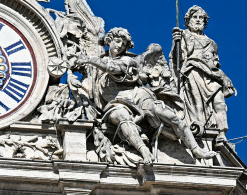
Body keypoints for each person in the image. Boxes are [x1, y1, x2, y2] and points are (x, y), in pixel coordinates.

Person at [74, 27, 215, 163]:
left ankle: (195, 149)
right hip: (115, 103)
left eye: (123, 45)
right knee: (122, 116)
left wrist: (88, 59)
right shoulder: (96, 68)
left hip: (137, 96)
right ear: (109, 40)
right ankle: (144, 152)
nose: (120, 46)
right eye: (117, 41)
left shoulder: (128, 61)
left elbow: (112, 67)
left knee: (167, 114)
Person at [172, 5, 235, 133]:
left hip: (211, 76)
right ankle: (199, 129)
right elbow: (178, 59)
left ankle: (221, 133)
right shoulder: (183, 35)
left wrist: (223, 77)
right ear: (188, 20)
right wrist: (176, 42)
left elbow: (215, 64)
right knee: (197, 106)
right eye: (195, 17)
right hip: (193, 73)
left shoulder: (212, 43)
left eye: (201, 18)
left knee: (219, 102)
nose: (198, 20)